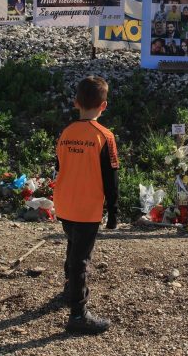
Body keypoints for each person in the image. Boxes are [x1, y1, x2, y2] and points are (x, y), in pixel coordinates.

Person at [54, 76, 119, 335]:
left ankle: (70, 289)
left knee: (73, 246)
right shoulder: (105, 136)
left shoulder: (66, 133)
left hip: (64, 204)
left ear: (76, 103)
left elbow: (60, 166)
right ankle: (78, 315)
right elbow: (111, 178)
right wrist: (113, 212)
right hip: (86, 207)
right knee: (81, 258)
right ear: (104, 106)